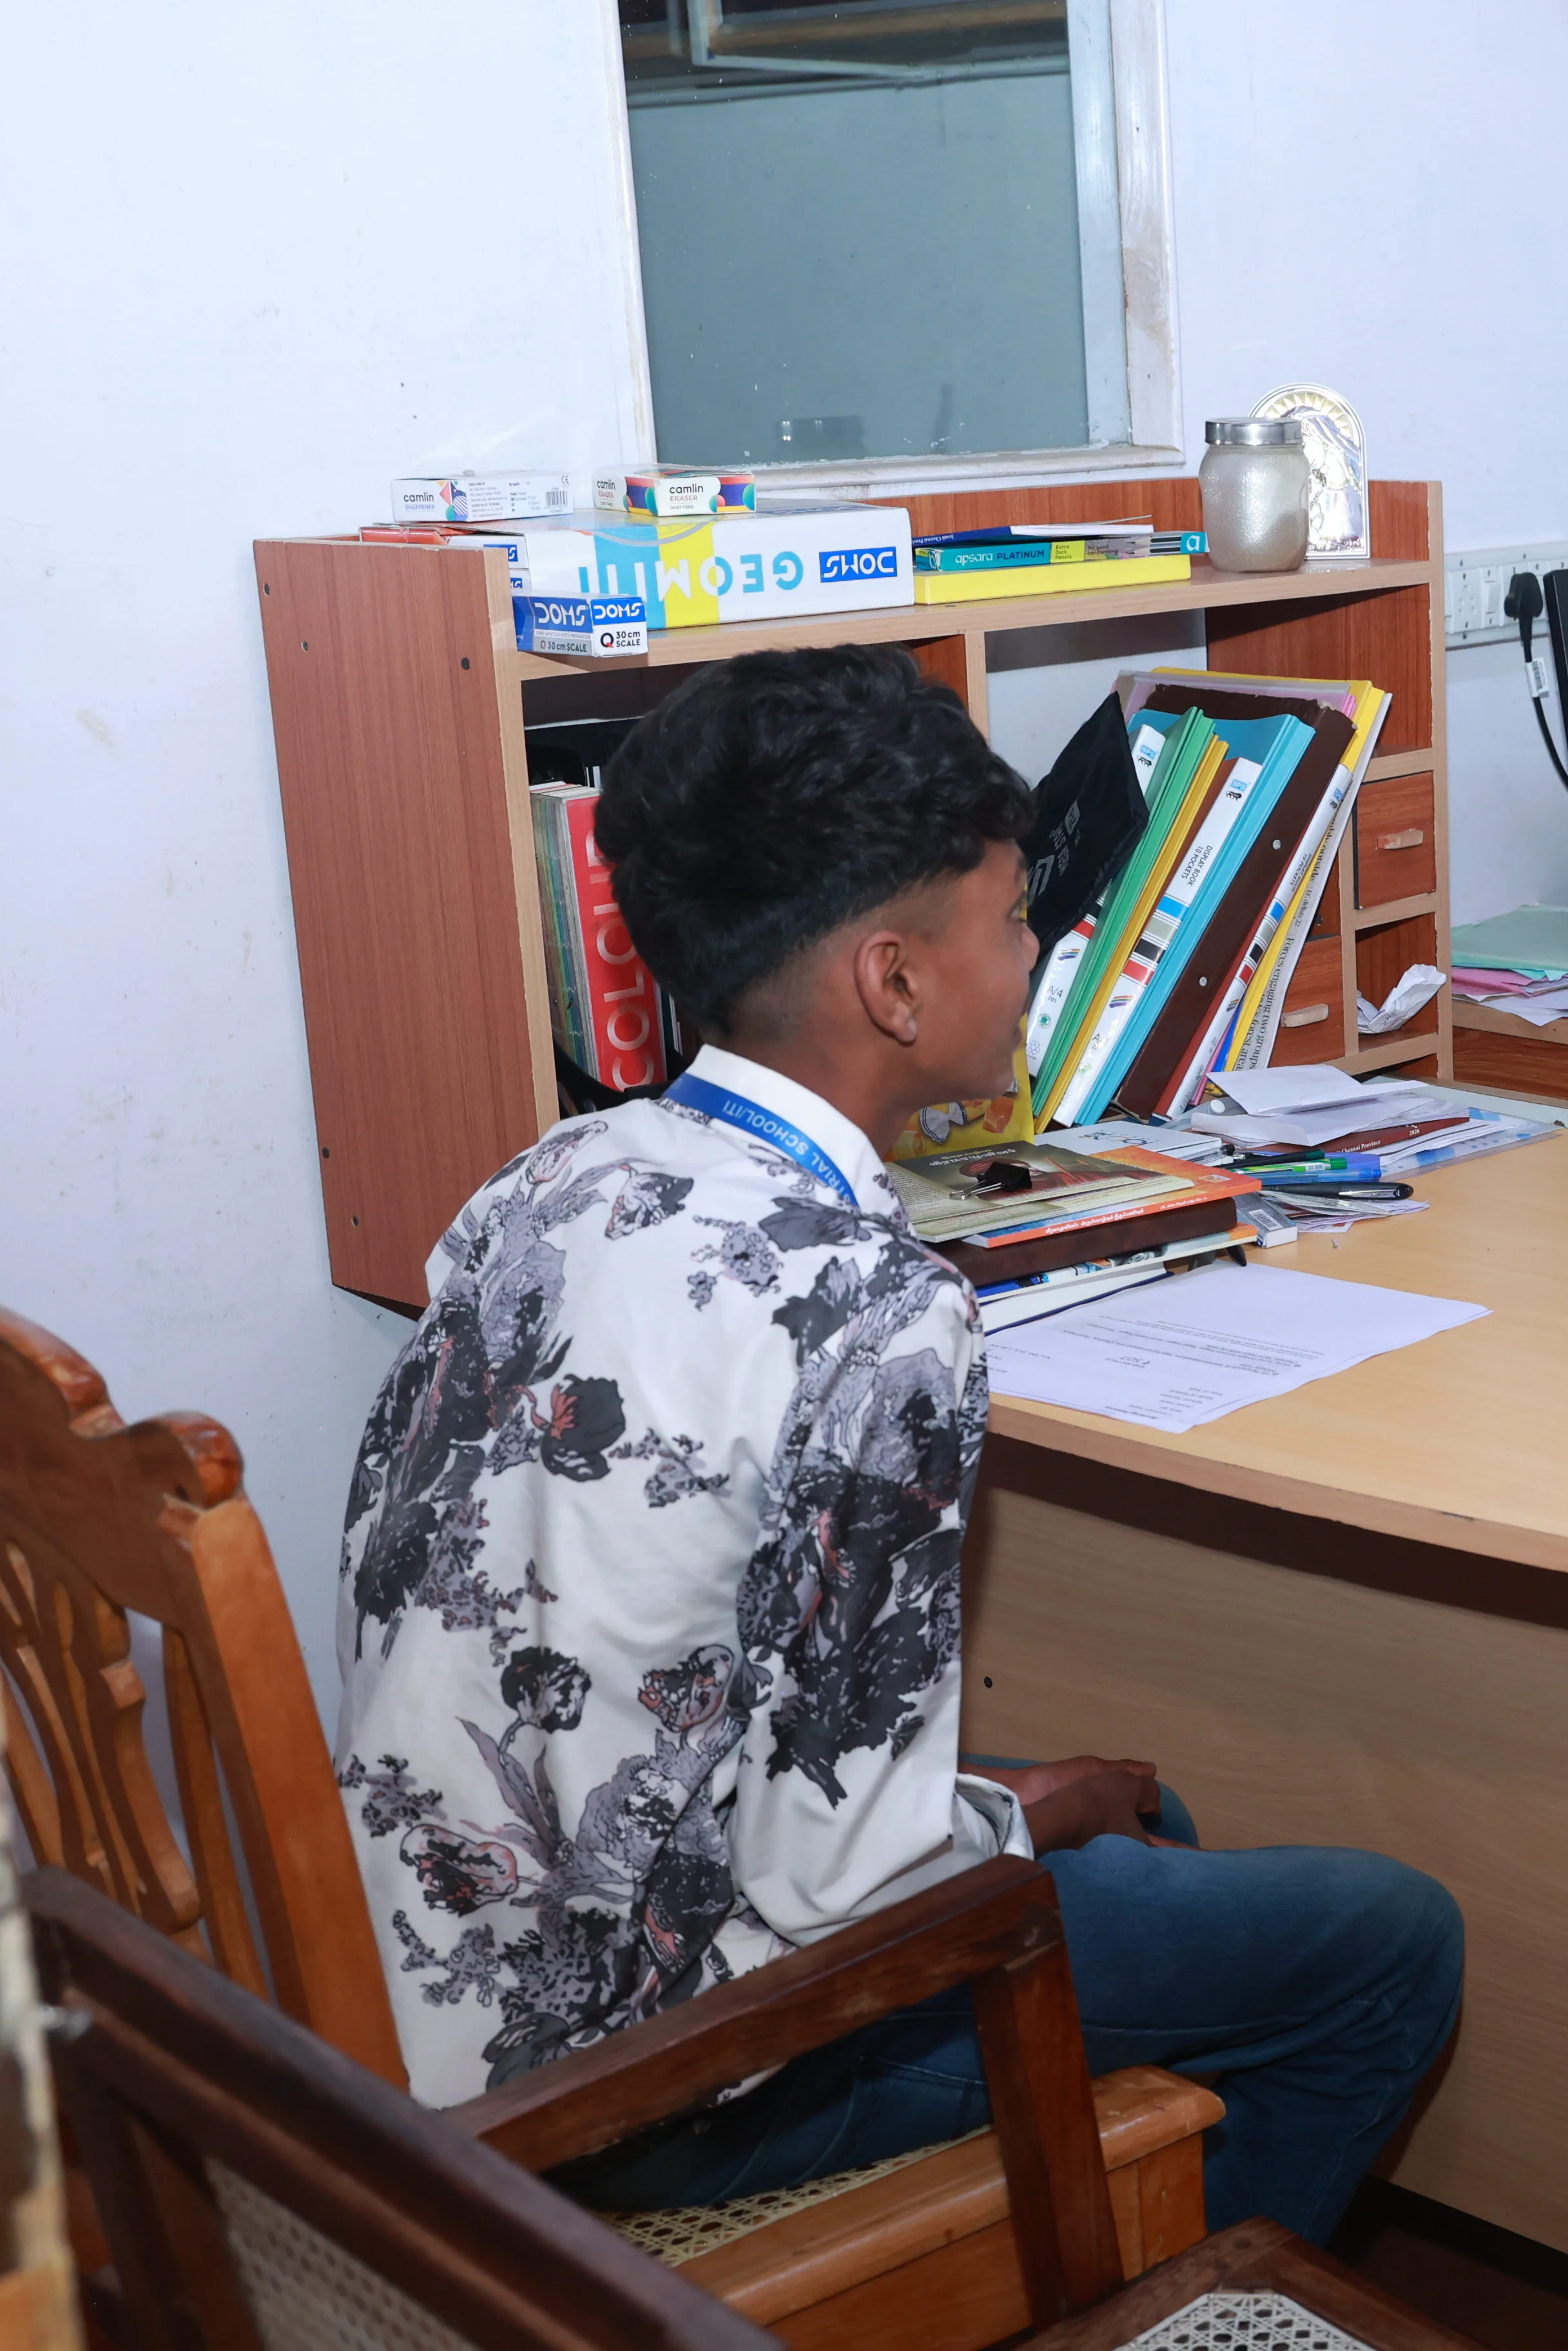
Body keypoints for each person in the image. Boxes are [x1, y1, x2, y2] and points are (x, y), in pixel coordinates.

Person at [331, 644, 1461, 2235]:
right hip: (647, 2084)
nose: (1033, 953)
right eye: (1013, 919)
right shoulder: (881, 1310)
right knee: (1390, 1939)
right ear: (896, 983)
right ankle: (1165, 2302)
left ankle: (1097, 2225)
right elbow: (845, 1894)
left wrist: (1031, 1800)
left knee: (1155, 1827)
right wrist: (1030, 1806)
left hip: (423, 1991)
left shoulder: (546, 1178)